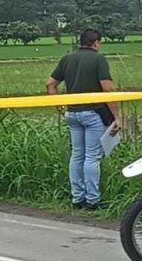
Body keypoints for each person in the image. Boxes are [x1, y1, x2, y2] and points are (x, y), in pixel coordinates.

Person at [46, 28, 121, 211]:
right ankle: (93, 200)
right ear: (96, 43)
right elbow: (108, 89)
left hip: (72, 114)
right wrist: (117, 117)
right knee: (92, 157)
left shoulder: (67, 59)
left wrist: (60, 106)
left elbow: (50, 84)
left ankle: (77, 198)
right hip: (93, 113)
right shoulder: (98, 59)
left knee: (77, 155)